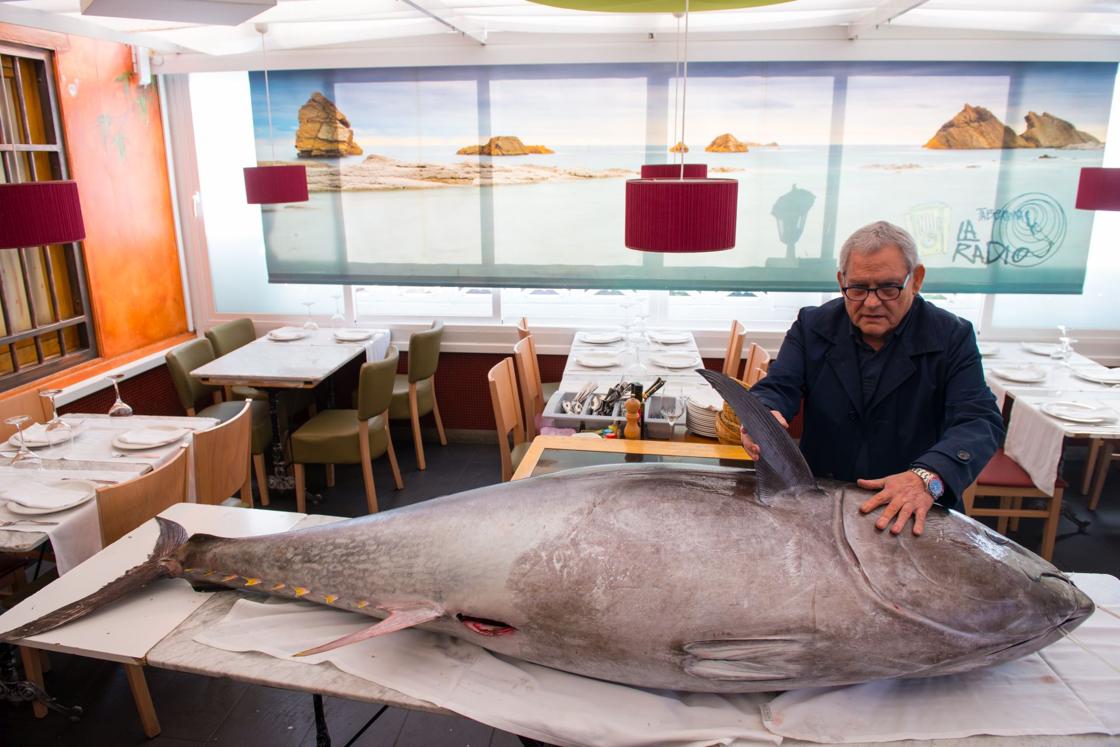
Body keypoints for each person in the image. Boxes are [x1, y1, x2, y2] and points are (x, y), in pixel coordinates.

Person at [741, 220, 1003, 536]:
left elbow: (978, 420)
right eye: (859, 288)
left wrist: (926, 477)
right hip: (822, 505)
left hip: (910, 511)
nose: (872, 302)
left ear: (916, 279)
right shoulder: (813, 325)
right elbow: (779, 386)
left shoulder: (951, 336)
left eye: (889, 288)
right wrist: (763, 415)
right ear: (841, 281)